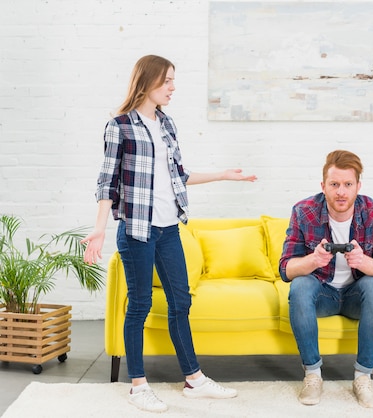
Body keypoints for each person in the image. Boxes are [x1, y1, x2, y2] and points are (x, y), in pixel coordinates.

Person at [82, 55, 257, 413]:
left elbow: (179, 175)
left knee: (181, 302)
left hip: (168, 228)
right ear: (146, 82)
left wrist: (223, 175)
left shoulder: (166, 124)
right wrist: (99, 230)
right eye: (167, 81)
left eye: (174, 81)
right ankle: (138, 386)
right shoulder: (120, 126)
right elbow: (107, 183)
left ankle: (193, 379)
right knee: (141, 305)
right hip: (136, 231)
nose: (173, 88)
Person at [279, 150, 373, 408]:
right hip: (322, 293)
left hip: (357, 297)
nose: (341, 192)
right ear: (323, 186)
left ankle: (363, 376)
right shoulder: (304, 211)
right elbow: (285, 270)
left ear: (358, 186)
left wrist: (364, 262)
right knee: (300, 284)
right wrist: (312, 260)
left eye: (347, 185)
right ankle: (312, 374)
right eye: (334, 185)